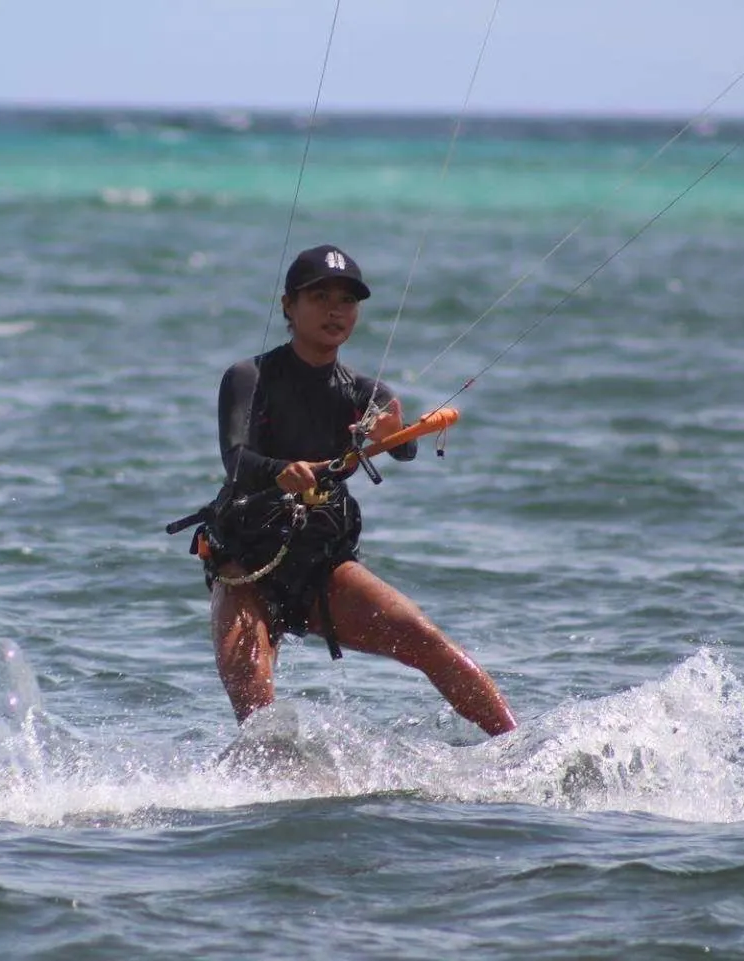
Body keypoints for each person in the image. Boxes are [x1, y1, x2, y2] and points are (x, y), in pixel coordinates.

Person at [182, 244, 517, 736]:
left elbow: (402, 450)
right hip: (245, 566)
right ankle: (274, 786)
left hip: (323, 564)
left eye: (347, 300)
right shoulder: (248, 377)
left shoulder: (367, 394)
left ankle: (522, 748)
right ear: (288, 306)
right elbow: (236, 459)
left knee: (425, 640)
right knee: (254, 696)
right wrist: (281, 470)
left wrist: (393, 436)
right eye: (319, 297)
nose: (335, 310)